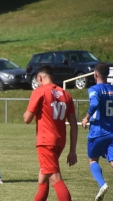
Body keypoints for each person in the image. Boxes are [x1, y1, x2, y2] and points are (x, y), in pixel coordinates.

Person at [23, 65, 78, 201]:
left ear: (40, 77)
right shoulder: (66, 94)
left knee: (55, 179)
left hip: (45, 141)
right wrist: (72, 151)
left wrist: (28, 111)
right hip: (60, 141)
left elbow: (27, 119)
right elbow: (73, 125)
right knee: (43, 177)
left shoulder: (40, 91)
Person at [81, 62, 112, 201]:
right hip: (112, 132)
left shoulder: (94, 89)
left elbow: (94, 103)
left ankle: (102, 184)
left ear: (95, 74)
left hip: (98, 131)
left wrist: (86, 117)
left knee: (93, 160)